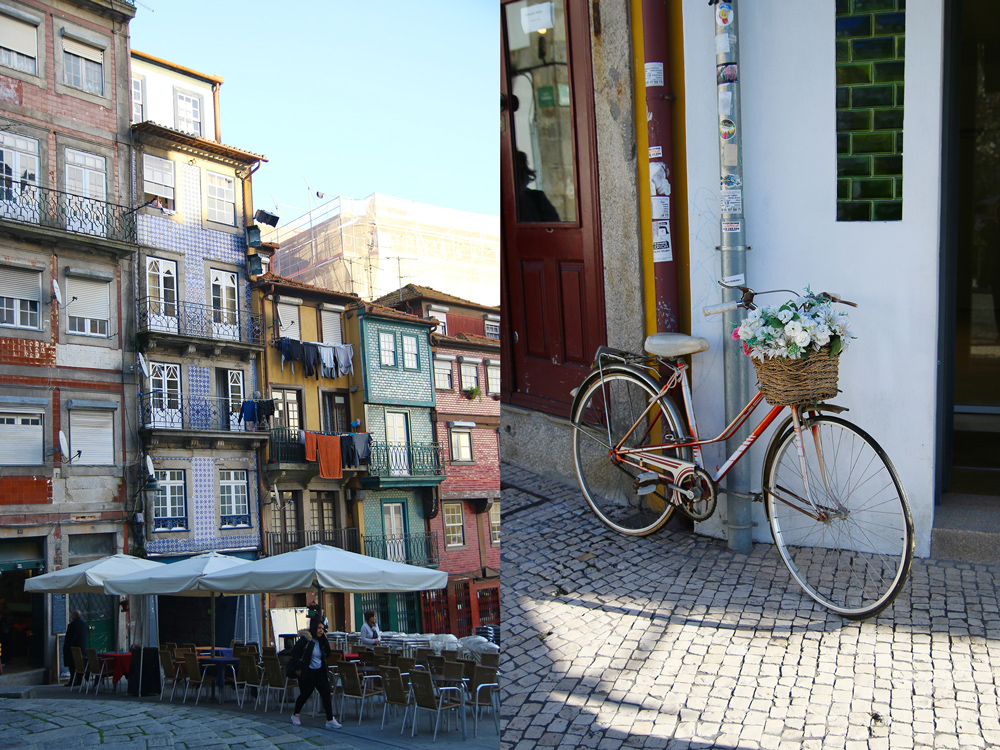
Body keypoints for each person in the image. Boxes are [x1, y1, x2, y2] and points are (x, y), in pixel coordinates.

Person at [288, 618, 341, 730]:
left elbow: (327, 654)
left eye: (322, 629)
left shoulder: (321, 641)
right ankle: (295, 714)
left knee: (326, 693)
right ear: (314, 628)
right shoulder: (306, 639)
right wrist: (298, 667)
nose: (321, 630)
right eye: (319, 628)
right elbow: (294, 652)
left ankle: (330, 719)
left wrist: (326, 641)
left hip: (320, 672)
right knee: (305, 694)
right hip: (308, 672)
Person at [63, 610, 87, 687]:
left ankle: (73, 680)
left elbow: (71, 638)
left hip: (73, 649)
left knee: (72, 665)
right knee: (80, 664)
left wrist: (67, 646)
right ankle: (79, 680)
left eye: (72, 615)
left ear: (74, 616)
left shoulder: (73, 625)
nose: (71, 616)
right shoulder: (83, 624)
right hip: (82, 648)